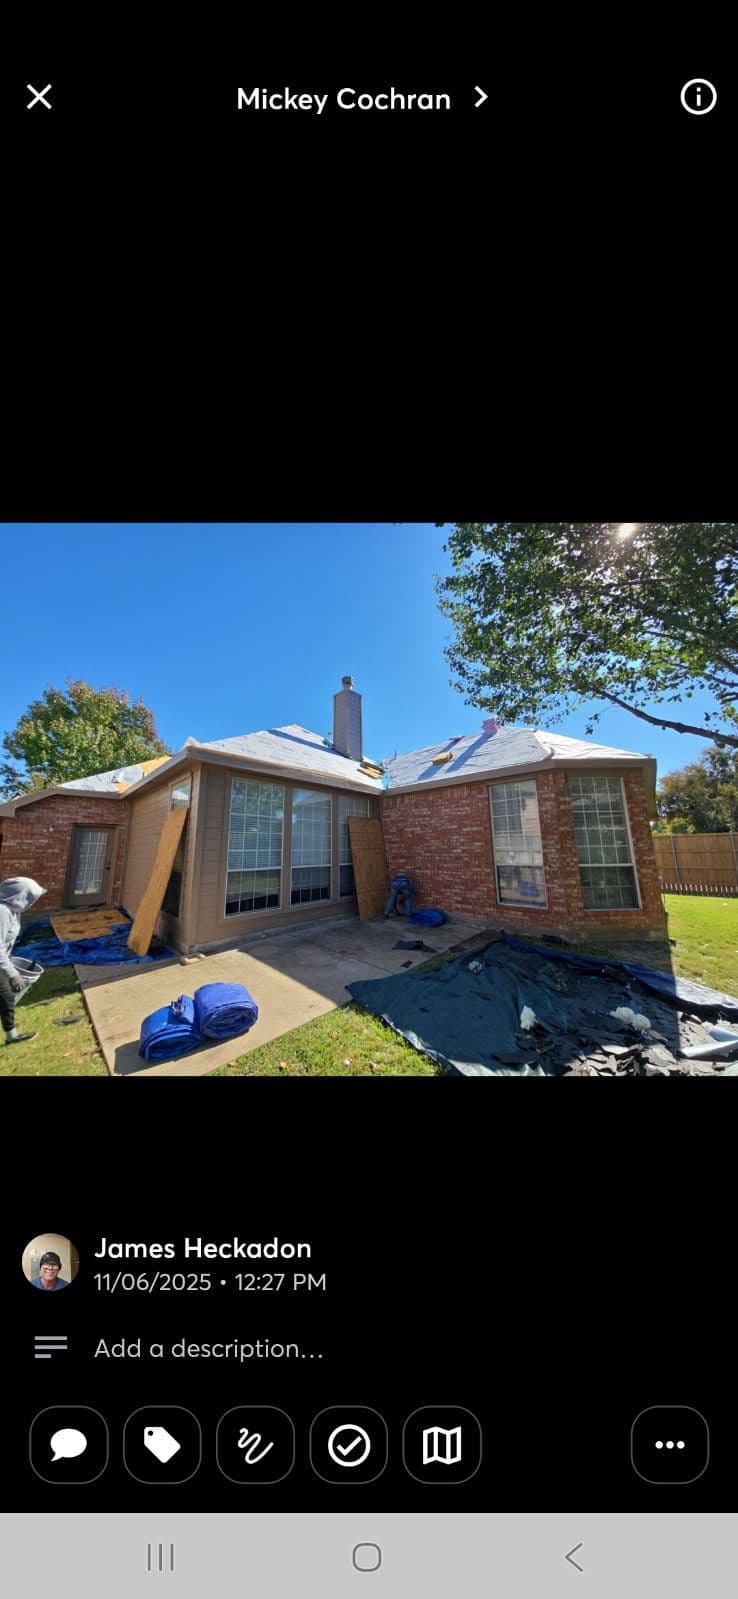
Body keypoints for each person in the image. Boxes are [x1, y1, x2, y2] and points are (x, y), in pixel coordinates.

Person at [0, 876, 46, 1045]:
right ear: (18, 896)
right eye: (29, 898)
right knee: (6, 995)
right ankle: (12, 1035)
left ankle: (11, 1033)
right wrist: (13, 973)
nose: (32, 903)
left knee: (6, 996)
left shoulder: (14, 911)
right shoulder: (2, 912)